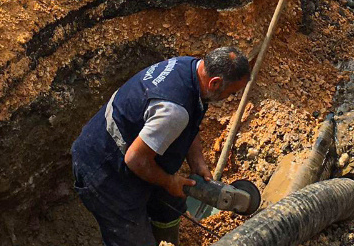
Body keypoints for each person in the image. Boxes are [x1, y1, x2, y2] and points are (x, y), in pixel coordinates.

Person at [71, 47, 251, 246]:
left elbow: (189, 121)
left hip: (133, 149)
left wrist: (197, 162)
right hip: (104, 168)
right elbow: (135, 159)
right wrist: (168, 181)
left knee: (170, 204)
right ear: (215, 83)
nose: (231, 97)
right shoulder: (173, 111)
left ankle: (166, 241)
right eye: (231, 92)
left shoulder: (190, 68)